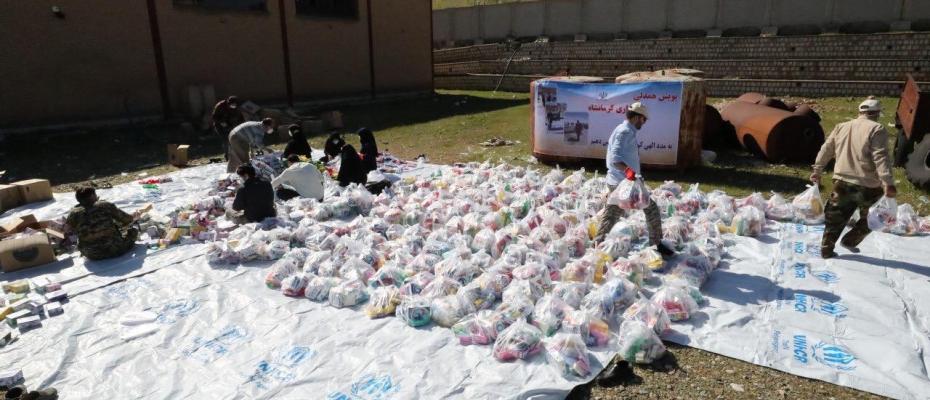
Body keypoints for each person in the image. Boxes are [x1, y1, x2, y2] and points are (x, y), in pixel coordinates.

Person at [811, 96, 896, 259]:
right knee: (874, 217)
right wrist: (887, 182)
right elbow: (881, 157)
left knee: (835, 218)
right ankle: (850, 240)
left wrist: (817, 169)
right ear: (877, 113)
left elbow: (826, 149)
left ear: (859, 112)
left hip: (841, 183)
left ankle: (826, 250)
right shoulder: (877, 129)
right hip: (868, 185)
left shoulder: (841, 126)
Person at [594, 102, 674, 257]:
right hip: (623, 183)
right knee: (651, 210)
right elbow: (615, 158)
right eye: (643, 120)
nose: (644, 123)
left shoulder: (625, 130)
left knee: (612, 213)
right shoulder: (625, 132)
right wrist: (629, 171)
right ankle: (656, 245)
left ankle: (598, 242)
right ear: (637, 117)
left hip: (622, 181)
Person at [65, 187, 140, 260]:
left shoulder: (73, 213)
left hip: (90, 253)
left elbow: (68, 230)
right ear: (92, 196)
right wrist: (135, 216)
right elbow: (127, 220)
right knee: (133, 231)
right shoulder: (104, 205)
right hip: (115, 249)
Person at [212, 96, 245, 161]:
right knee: (226, 140)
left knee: (236, 139)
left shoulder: (238, 107)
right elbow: (214, 117)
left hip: (232, 125)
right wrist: (221, 122)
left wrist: (243, 125)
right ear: (228, 103)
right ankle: (228, 156)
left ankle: (238, 154)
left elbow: (241, 117)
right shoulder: (220, 106)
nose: (233, 105)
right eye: (232, 104)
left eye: (235, 104)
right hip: (221, 126)